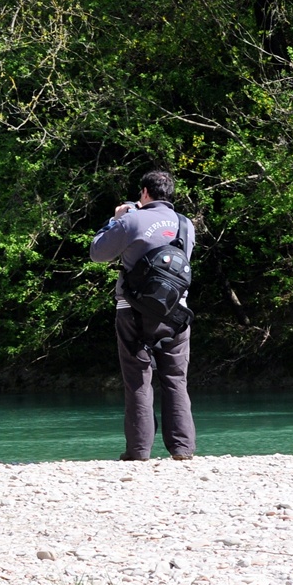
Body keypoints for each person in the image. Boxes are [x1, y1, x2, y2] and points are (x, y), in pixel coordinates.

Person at [89, 170, 196, 461]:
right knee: (175, 377)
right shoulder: (186, 225)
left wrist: (114, 219)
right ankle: (182, 449)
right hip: (176, 312)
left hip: (133, 311)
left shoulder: (131, 219)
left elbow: (98, 253)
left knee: (138, 379)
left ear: (145, 193)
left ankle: (138, 451)